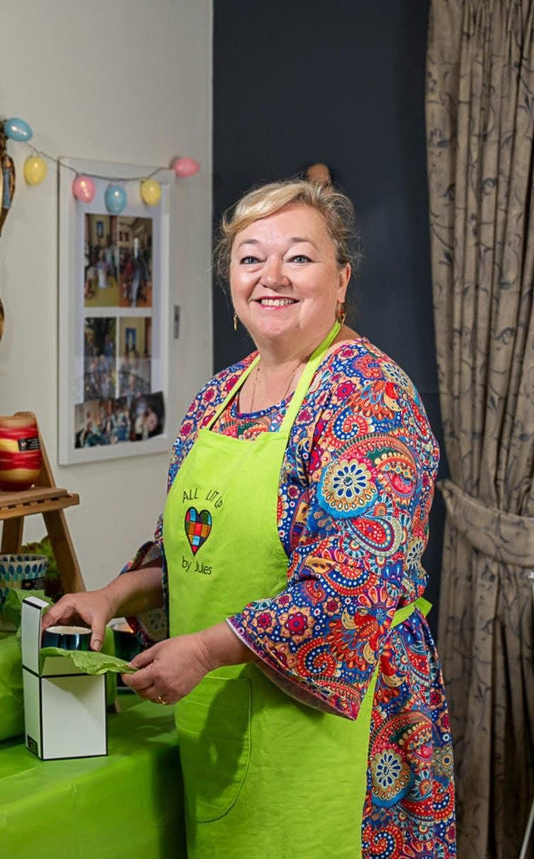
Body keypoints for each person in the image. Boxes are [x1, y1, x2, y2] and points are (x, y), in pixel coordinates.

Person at [43, 179, 456, 857]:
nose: (272, 276)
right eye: (250, 258)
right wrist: (110, 596)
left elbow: (351, 587)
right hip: (228, 717)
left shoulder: (368, 396)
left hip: (346, 736)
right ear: (232, 282)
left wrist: (204, 650)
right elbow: (190, 552)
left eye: (299, 257)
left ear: (341, 279)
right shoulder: (217, 398)